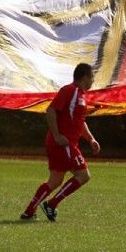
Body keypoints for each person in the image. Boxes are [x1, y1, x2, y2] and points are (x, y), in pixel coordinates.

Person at [20, 63, 99, 222]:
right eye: (92, 77)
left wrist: (91, 139)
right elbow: (51, 110)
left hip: (65, 143)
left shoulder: (81, 95)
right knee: (84, 175)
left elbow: (80, 122)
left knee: (55, 180)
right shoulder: (70, 90)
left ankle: (29, 212)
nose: (93, 81)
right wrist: (57, 135)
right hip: (63, 143)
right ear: (85, 77)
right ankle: (51, 204)